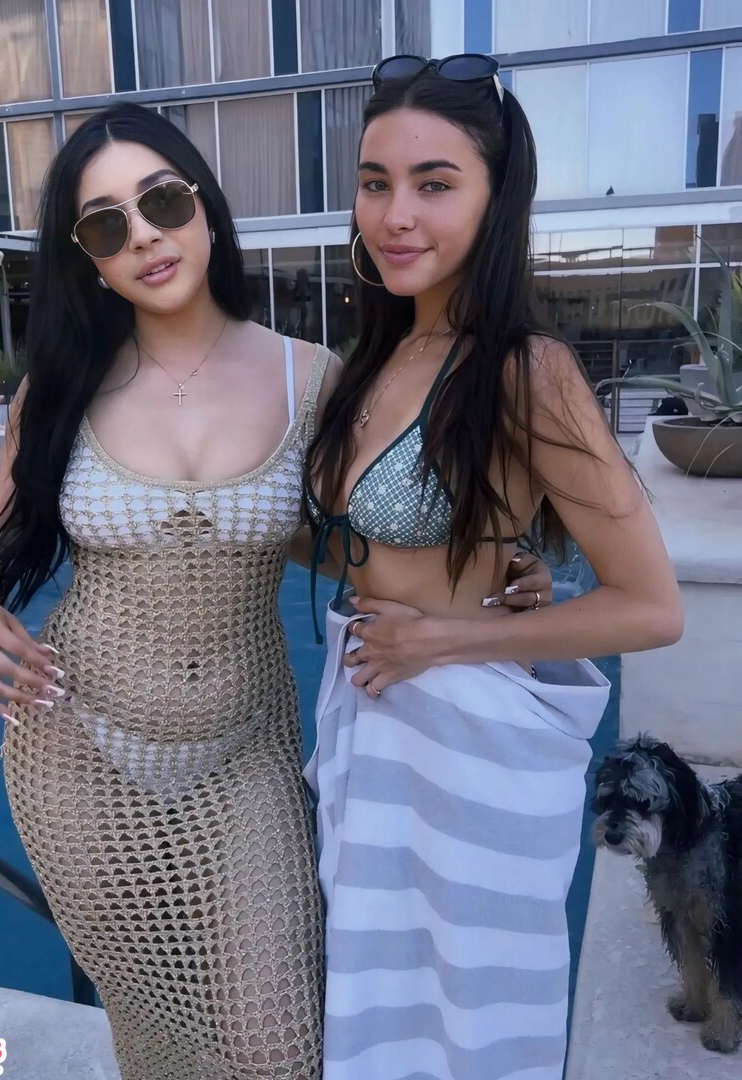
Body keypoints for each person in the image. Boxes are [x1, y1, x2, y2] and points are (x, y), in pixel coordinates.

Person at [0, 104, 550, 1079]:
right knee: (157, 1040)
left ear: (205, 211)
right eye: (105, 225)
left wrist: (483, 570)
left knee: (280, 1050)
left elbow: (347, 543)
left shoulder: (312, 379)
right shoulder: (59, 387)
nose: (143, 236)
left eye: (161, 203)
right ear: (88, 260)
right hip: (78, 757)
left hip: (242, 760)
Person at [302, 56, 684, 1080]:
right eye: (376, 182)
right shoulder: (381, 356)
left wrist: (444, 637)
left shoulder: (526, 369)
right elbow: (353, 540)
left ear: (494, 196)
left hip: (470, 747)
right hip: (379, 728)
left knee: (474, 1026)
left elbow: (652, 607)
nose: (396, 214)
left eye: (435, 183)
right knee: (382, 1019)